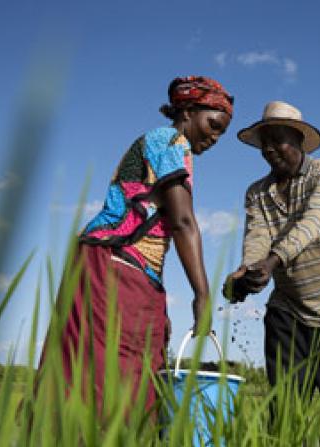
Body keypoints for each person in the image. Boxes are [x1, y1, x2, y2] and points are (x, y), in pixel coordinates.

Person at [39, 76, 233, 414]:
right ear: (187, 111)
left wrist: (158, 299)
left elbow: (157, 233)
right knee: (113, 371)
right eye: (213, 124)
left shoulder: (170, 147)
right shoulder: (169, 140)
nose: (215, 137)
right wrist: (202, 294)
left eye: (222, 132)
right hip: (113, 260)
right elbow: (182, 222)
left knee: (139, 360)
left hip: (125, 263)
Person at [223, 101, 320, 422]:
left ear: (300, 141)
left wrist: (272, 262)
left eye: (279, 140)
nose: (271, 149)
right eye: (265, 143)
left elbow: (314, 221)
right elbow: (257, 236)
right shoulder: (258, 192)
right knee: (285, 414)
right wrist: (248, 271)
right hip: (287, 313)